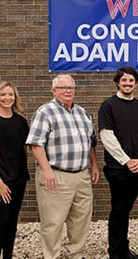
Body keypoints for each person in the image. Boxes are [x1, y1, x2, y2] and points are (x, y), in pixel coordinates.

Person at [26, 74, 100, 259]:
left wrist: (95, 166)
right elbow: (36, 144)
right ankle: (51, 255)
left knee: (81, 219)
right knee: (53, 222)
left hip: (82, 175)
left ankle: (76, 254)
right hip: (55, 175)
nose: (68, 91)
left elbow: (91, 143)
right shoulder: (45, 112)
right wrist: (46, 170)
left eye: (71, 88)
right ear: (54, 90)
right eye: (63, 88)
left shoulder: (83, 113)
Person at [98, 67, 138, 259]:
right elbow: (107, 137)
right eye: (124, 81)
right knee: (119, 208)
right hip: (117, 169)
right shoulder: (108, 106)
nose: (128, 84)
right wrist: (127, 160)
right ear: (117, 82)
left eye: (131, 81)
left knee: (125, 209)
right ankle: (115, 252)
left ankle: (123, 249)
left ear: (136, 83)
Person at [0, 81, 30, 259]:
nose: (7, 98)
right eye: (3, 94)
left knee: (13, 222)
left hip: (19, 179)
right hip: (0, 181)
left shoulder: (21, 122)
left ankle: (7, 256)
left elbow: (24, 151)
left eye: (10, 94)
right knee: (2, 221)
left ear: (15, 98)